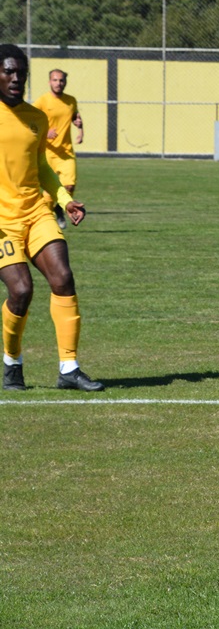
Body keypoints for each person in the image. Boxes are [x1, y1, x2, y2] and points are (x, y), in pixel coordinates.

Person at [0, 45, 99, 393]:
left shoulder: (35, 117)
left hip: (36, 212)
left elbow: (41, 166)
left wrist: (65, 200)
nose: (16, 78)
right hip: (2, 223)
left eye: (21, 72)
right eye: (9, 71)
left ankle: (69, 368)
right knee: (22, 290)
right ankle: (12, 362)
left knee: (63, 276)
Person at [32, 69, 83, 231]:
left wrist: (80, 129)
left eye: (61, 80)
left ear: (65, 82)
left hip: (66, 152)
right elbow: (30, 123)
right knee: (48, 192)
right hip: (47, 153)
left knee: (69, 186)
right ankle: (46, 222)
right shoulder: (42, 101)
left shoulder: (71, 101)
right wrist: (45, 133)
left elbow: (75, 117)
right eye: (55, 80)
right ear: (49, 82)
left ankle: (59, 210)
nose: (58, 83)